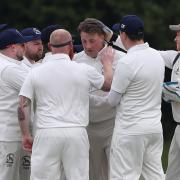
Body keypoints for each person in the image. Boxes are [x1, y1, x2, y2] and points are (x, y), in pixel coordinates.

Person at [18, 29, 114, 180]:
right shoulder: (83, 69)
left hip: (46, 132)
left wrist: (26, 134)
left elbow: (23, 103)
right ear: (70, 45)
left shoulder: (36, 70)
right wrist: (107, 63)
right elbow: (108, 85)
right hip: (76, 132)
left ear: (49, 46)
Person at [108, 15, 165, 180]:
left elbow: (112, 100)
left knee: (123, 176)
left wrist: (107, 69)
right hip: (154, 128)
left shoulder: (126, 62)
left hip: (130, 130)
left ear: (123, 35)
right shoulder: (156, 56)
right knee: (156, 176)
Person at [73, 18, 125, 180]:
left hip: (113, 124)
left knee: (116, 172)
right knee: (91, 174)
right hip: (88, 126)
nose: (87, 46)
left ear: (103, 37)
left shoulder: (121, 58)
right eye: (84, 41)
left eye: (92, 41)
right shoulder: (75, 60)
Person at [0, 28, 28, 180]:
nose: (25, 48)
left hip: (8, 132)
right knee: (7, 176)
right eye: (22, 45)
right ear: (13, 47)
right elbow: (38, 87)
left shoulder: (7, 64)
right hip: (10, 134)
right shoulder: (9, 68)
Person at [160, 24, 180, 180]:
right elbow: (147, 54)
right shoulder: (176, 57)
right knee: (172, 175)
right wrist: (113, 38)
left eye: (179, 34)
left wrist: (157, 87)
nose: (175, 38)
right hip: (178, 127)